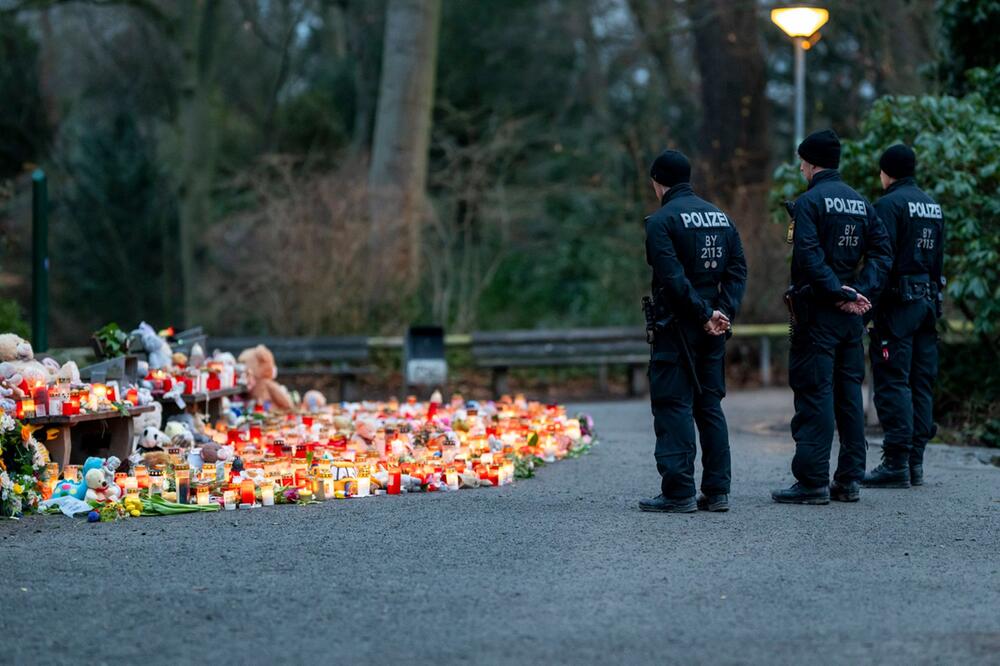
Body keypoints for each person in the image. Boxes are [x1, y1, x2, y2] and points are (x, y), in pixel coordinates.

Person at [772, 129, 892, 505]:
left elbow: (807, 255)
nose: (802, 169)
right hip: (851, 318)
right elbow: (882, 253)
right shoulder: (861, 203)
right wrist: (861, 293)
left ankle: (811, 482)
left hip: (818, 315)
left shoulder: (810, 202)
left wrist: (836, 292)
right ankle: (849, 480)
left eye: (802, 163)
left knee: (815, 393)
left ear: (810, 163)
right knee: (848, 397)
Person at [639, 149, 747, 514]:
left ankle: (678, 491)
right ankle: (717, 491)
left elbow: (672, 279)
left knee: (673, 404)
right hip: (715, 326)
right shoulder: (721, 217)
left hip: (678, 327)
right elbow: (737, 269)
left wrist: (702, 314)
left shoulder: (661, 221)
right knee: (709, 405)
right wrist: (723, 312)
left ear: (658, 182)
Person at [863, 144, 945, 488]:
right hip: (927, 304)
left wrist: (868, 302)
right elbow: (939, 260)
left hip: (897, 306)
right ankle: (915, 463)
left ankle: (896, 462)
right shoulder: (932, 206)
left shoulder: (888, 205)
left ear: (887, 172)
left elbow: (882, 260)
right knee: (920, 381)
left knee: (892, 378)